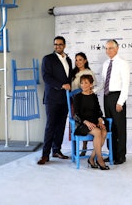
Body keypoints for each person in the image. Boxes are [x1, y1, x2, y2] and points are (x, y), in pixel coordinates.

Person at [38, 36, 72, 165]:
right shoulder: (48, 59)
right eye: (55, 44)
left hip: (65, 99)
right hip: (52, 98)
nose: (57, 46)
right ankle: (45, 155)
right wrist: (61, 85)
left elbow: (68, 78)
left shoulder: (68, 59)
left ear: (64, 45)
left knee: (61, 126)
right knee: (50, 127)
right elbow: (46, 77)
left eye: (60, 44)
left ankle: (56, 150)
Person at [102, 39, 130, 165]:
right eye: (107, 48)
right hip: (107, 97)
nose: (108, 51)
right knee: (110, 127)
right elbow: (104, 83)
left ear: (117, 48)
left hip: (117, 97)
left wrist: (121, 102)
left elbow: (126, 84)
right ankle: (112, 153)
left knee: (119, 127)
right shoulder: (105, 64)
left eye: (111, 48)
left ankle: (121, 155)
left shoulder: (123, 63)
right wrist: (93, 89)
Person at [73, 74, 109, 170]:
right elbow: (77, 114)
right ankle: (100, 159)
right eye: (82, 83)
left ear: (91, 84)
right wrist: (86, 122)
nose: (83, 85)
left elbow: (98, 111)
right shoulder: (77, 97)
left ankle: (92, 158)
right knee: (98, 132)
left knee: (104, 132)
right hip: (82, 123)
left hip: (94, 121)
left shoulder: (93, 96)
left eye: (86, 83)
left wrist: (100, 120)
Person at [71, 52, 97, 156]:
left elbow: (93, 87)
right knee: (78, 121)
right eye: (76, 60)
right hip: (75, 101)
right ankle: (79, 147)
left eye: (80, 59)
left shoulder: (89, 72)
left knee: (86, 119)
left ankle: (85, 146)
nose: (78, 62)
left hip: (85, 101)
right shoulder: (73, 73)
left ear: (85, 61)